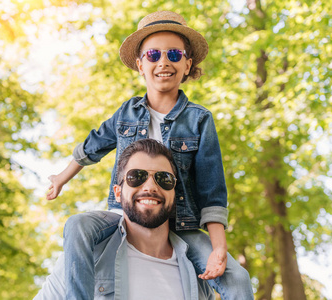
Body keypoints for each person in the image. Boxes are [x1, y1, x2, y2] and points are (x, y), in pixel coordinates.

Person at [47, 11, 253, 299]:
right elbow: (94, 144)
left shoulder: (199, 120)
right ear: (140, 65)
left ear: (187, 64)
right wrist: (61, 177)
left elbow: (211, 191)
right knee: (77, 226)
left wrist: (218, 248)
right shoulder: (126, 113)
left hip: (181, 223)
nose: (164, 62)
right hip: (124, 214)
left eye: (174, 54)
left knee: (239, 280)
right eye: (153, 54)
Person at [36, 139, 215, 300]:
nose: (151, 187)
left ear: (174, 193)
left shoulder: (199, 273)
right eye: (136, 177)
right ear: (118, 192)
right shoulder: (86, 258)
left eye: (164, 179)